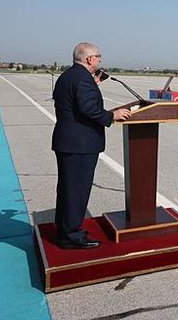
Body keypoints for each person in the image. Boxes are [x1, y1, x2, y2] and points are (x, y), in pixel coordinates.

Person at [52, 42, 131, 249]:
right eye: (98, 56)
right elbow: (89, 109)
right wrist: (113, 115)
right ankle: (71, 236)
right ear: (89, 59)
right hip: (79, 144)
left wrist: (92, 86)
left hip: (68, 141)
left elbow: (76, 104)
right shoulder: (82, 79)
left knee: (68, 189)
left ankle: (64, 229)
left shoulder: (69, 76)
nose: (100, 59)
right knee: (76, 190)